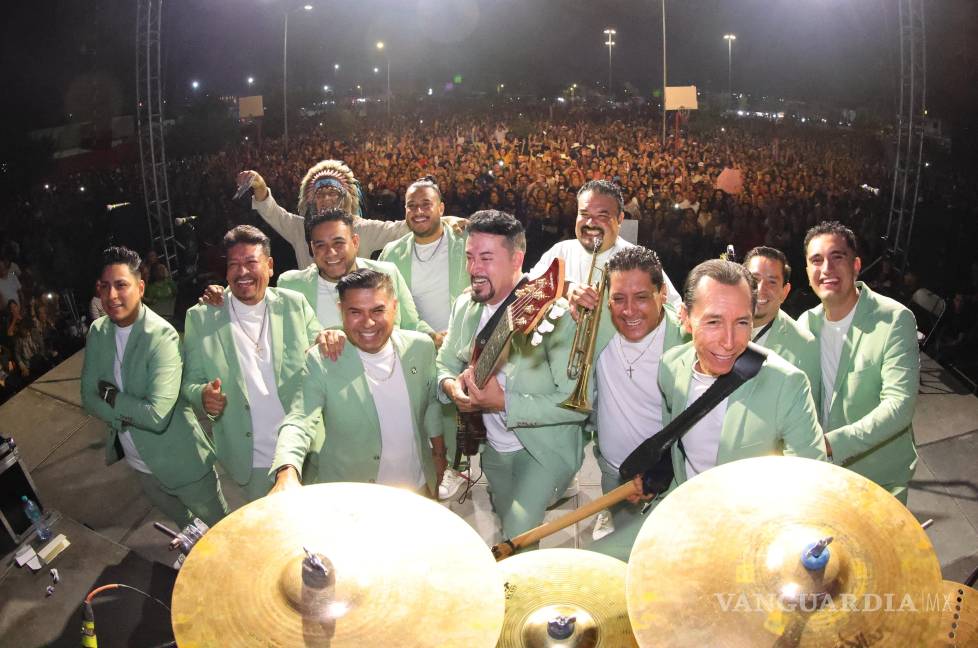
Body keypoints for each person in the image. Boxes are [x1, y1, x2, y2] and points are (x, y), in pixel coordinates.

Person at [591, 259, 825, 560]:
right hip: (680, 510)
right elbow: (680, 445)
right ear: (686, 319)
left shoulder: (788, 385)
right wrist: (656, 478)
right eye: (714, 322)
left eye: (742, 322)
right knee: (593, 569)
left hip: (747, 533)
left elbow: (812, 486)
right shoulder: (672, 366)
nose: (729, 342)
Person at [436, 210, 587, 546]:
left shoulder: (552, 315)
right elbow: (444, 363)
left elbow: (578, 403)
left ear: (517, 259)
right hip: (494, 453)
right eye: (470, 257)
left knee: (515, 535)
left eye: (487, 258)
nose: (475, 269)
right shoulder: (465, 307)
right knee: (515, 538)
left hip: (543, 453)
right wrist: (452, 387)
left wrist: (503, 402)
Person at [80, 247, 227, 527]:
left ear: (141, 287)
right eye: (105, 286)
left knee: (223, 534)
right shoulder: (98, 332)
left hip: (185, 464)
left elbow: (156, 416)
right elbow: (88, 397)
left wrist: (111, 395)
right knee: (187, 528)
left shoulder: (161, 337)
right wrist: (125, 407)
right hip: (140, 466)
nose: (111, 296)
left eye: (121, 285)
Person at [271, 269, 446, 496]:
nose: (368, 322)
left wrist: (439, 456)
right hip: (352, 497)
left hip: (416, 488)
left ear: (394, 306)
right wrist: (287, 471)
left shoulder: (420, 348)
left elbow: (431, 403)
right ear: (341, 310)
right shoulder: (323, 359)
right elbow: (299, 420)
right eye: (355, 312)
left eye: (378, 310)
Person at [181, 226, 324, 502]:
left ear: (269, 266)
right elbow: (189, 383)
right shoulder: (202, 317)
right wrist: (202, 396)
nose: (242, 272)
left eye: (250, 262)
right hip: (251, 461)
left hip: (306, 449)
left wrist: (332, 337)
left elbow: (321, 352)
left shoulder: (295, 305)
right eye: (233, 264)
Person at [797, 221, 919, 504]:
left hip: (879, 480)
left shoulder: (894, 319)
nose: (826, 268)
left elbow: (899, 406)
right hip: (824, 476)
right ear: (807, 272)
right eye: (816, 260)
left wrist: (830, 444)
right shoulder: (807, 323)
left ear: (856, 265)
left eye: (836, 257)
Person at [587, 246, 689, 540]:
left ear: (662, 294)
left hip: (666, 480)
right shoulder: (594, 325)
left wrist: (663, 473)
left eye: (642, 297)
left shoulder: (686, 340)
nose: (629, 310)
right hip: (612, 473)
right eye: (618, 299)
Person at [379, 176, 470, 500]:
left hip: (462, 340)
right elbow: (390, 302)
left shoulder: (463, 239)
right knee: (427, 406)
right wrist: (429, 335)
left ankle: (459, 466)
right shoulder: (392, 252)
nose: (418, 211)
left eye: (426, 205)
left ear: (441, 209)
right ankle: (438, 464)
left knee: (458, 405)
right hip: (416, 341)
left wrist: (455, 334)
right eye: (411, 206)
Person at [238, 160, 462, 266]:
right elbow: (274, 213)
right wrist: (259, 186)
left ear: (345, 198)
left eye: (333, 194)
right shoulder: (300, 228)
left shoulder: (362, 228)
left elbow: (402, 228)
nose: (326, 199)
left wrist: (447, 221)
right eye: (320, 194)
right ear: (311, 199)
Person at [529, 179, 680, 308]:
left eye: (602, 215)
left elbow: (675, 311)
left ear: (620, 219)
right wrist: (566, 288)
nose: (590, 223)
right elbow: (528, 287)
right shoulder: (561, 251)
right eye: (584, 214)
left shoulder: (640, 260)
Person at [742, 246, 821, 406]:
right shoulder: (717, 327)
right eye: (754, 279)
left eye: (772, 282)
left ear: (784, 292)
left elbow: (806, 414)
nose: (761, 289)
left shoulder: (804, 344)